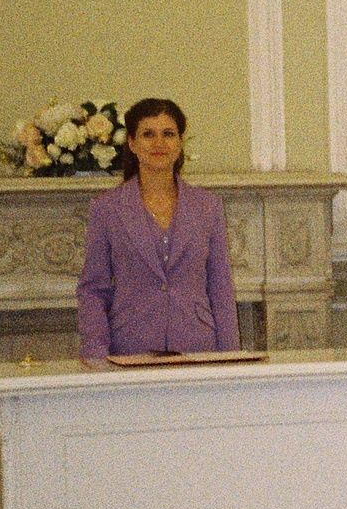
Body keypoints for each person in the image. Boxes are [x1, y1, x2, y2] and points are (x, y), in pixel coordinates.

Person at [76, 98, 238, 363]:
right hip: (130, 350)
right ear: (132, 143)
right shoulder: (107, 208)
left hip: (198, 349)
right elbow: (93, 289)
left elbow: (220, 288)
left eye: (168, 134)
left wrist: (231, 358)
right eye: (148, 134)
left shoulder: (208, 206)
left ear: (180, 142)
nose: (159, 143)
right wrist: (95, 353)